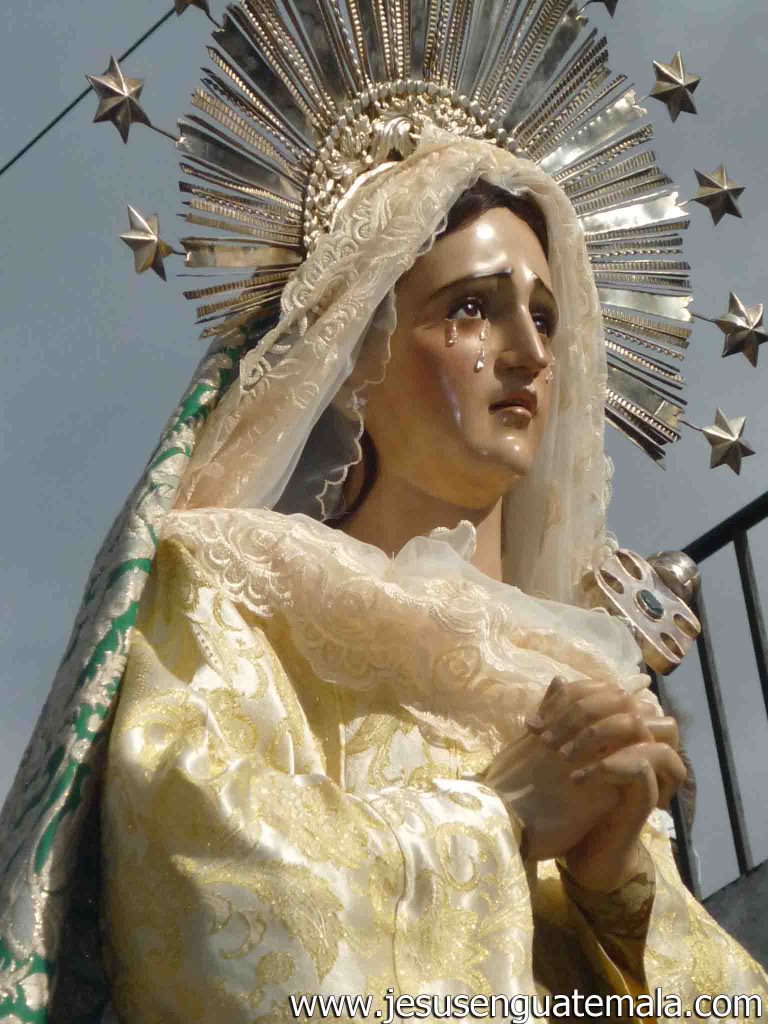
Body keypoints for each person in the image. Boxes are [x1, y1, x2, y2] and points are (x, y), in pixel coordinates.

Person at [1, 5, 766, 1022]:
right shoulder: (233, 592)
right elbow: (208, 904)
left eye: (545, 316)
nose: (530, 353)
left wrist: (613, 893)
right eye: (472, 308)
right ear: (359, 343)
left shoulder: (581, 686)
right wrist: (499, 817)